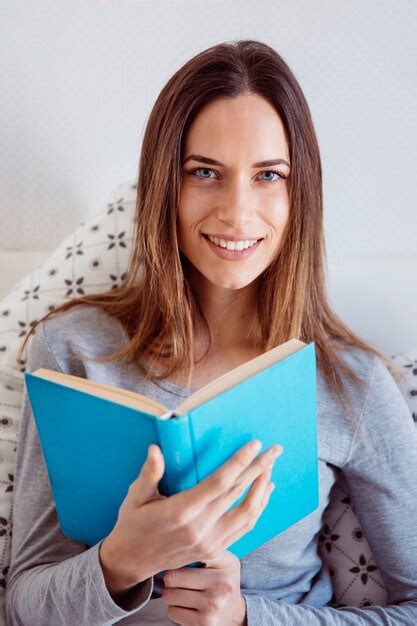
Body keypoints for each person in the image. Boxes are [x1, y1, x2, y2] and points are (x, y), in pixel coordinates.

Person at [5, 39, 417, 625]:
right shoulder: (73, 349)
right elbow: (21, 604)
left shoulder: (351, 385)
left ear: (301, 194)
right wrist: (121, 563)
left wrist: (249, 617)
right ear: (163, 188)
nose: (237, 212)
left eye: (268, 175)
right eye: (205, 172)